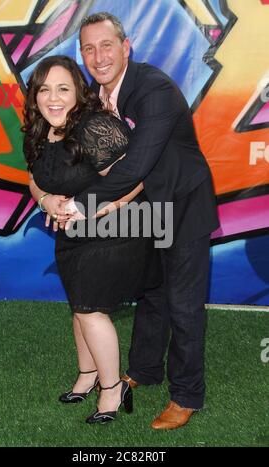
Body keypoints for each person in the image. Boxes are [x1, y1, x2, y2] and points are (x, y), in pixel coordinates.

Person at [64, 12, 220, 430]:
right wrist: (49, 190)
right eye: (89, 48)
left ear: (126, 46)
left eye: (106, 45)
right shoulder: (97, 97)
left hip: (183, 204)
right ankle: (144, 370)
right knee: (152, 294)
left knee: (184, 305)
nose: (98, 56)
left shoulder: (153, 88)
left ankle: (187, 396)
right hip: (148, 207)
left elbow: (134, 166)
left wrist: (78, 206)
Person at [22, 55, 159, 424]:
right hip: (73, 231)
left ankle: (112, 390)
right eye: (44, 89)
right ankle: (87, 375)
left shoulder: (93, 126)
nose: (53, 97)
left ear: (78, 92)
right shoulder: (41, 129)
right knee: (80, 304)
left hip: (119, 226)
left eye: (63, 88)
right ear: (34, 96)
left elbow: (134, 179)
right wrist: (46, 199)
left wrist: (93, 210)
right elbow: (34, 178)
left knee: (90, 309)